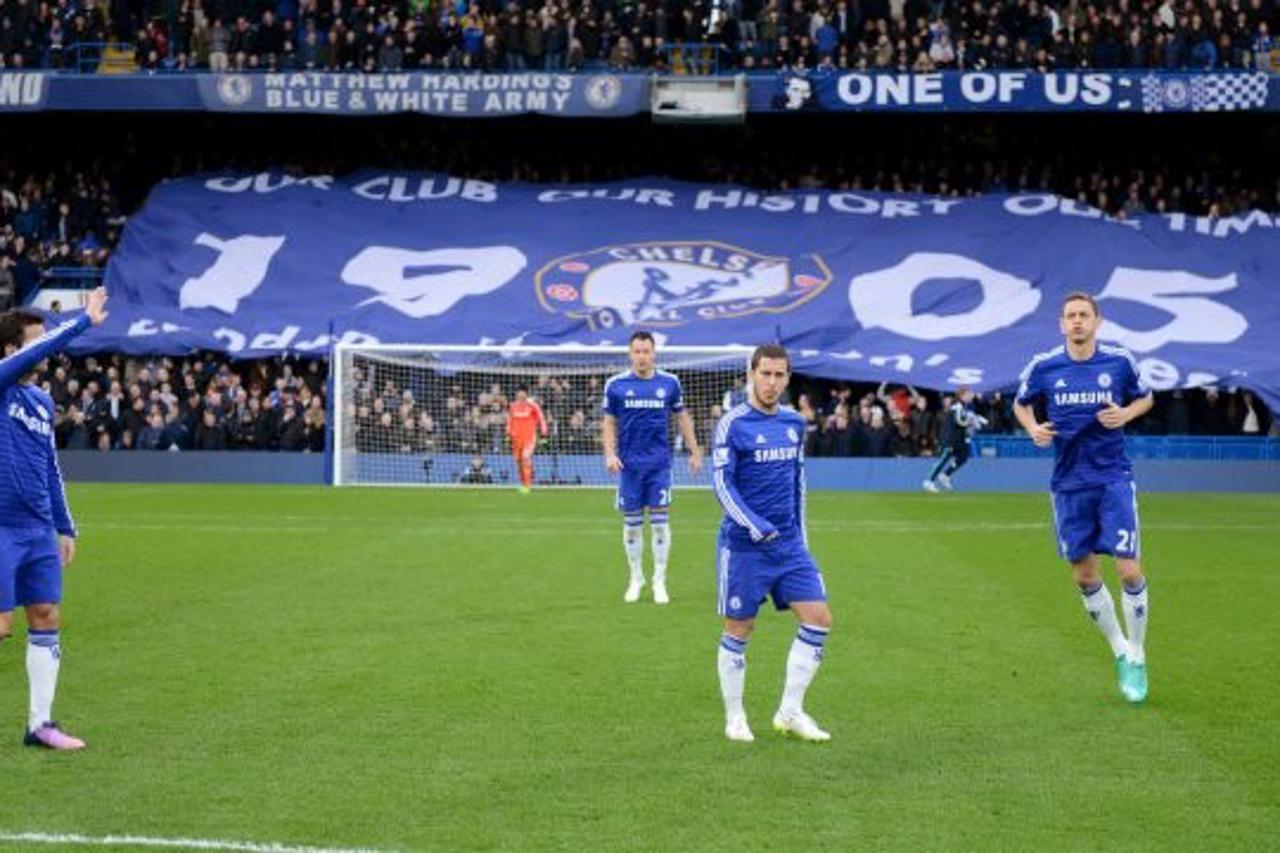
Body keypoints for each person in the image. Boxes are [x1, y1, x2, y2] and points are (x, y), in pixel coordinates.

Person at [1013, 292, 1154, 704]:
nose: (1077, 322)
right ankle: (1119, 652)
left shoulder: (1119, 361)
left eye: (1083, 315)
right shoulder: (1044, 366)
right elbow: (1022, 405)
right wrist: (1033, 428)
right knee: (1084, 576)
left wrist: (1126, 414)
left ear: (1097, 321)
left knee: (1129, 571)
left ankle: (1139, 654)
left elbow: (1146, 397)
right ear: (1062, 324)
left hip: (1113, 477)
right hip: (1069, 483)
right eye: (1070, 316)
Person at [0, 287, 109, 750]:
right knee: (1, 625)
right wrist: (82, 322)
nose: (43, 349)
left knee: (44, 614)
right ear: (11, 350)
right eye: (33, 341)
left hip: (37, 528)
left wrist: (64, 526)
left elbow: (50, 468)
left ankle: (39, 725)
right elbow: (44, 348)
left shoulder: (41, 403)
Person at [712, 343, 832, 743]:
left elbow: (798, 484)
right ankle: (735, 717)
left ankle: (791, 711)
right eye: (765, 374)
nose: (772, 382)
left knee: (818, 618)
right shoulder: (733, 424)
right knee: (740, 627)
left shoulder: (794, 423)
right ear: (752, 373)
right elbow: (721, 485)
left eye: (780, 375)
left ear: (787, 378)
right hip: (745, 548)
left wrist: (802, 537)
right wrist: (754, 524)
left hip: (789, 546)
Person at [601, 331, 703, 605]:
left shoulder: (670, 383)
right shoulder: (615, 385)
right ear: (630, 353)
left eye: (646, 351)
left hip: (659, 465)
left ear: (654, 353)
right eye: (637, 351)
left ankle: (659, 581)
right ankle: (636, 578)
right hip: (629, 467)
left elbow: (682, 418)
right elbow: (609, 422)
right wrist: (609, 453)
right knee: (632, 526)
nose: (642, 356)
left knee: (660, 525)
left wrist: (695, 451)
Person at [922, 387, 987, 491]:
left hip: (960, 438)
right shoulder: (957, 407)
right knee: (944, 459)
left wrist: (975, 419)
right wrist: (972, 420)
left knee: (963, 457)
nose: (972, 395)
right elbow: (959, 421)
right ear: (963, 395)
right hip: (951, 438)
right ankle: (929, 481)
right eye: (969, 393)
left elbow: (964, 421)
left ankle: (945, 475)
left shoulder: (964, 407)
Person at [505, 385, 548, 494]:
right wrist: (508, 435)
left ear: (526, 394)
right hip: (516, 439)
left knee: (525, 457)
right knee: (518, 462)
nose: (520, 394)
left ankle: (527, 485)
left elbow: (541, 419)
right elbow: (510, 422)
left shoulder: (533, 406)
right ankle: (523, 483)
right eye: (518, 392)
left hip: (529, 438)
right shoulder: (513, 406)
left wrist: (544, 435)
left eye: (522, 392)